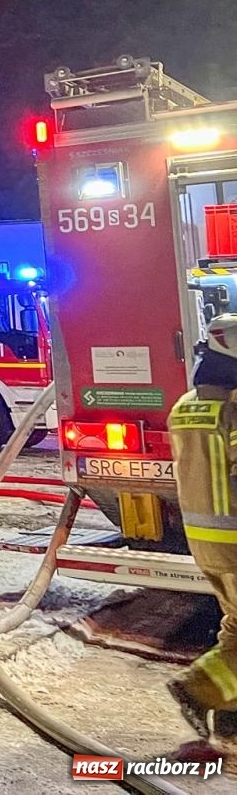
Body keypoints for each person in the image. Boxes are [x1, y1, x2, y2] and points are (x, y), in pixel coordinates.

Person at [167, 315, 237, 754]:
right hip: (236, 536)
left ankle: (230, 730)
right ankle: (196, 689)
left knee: (235, 630)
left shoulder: (186, 405)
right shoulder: (234, 406)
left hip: (204, 540)